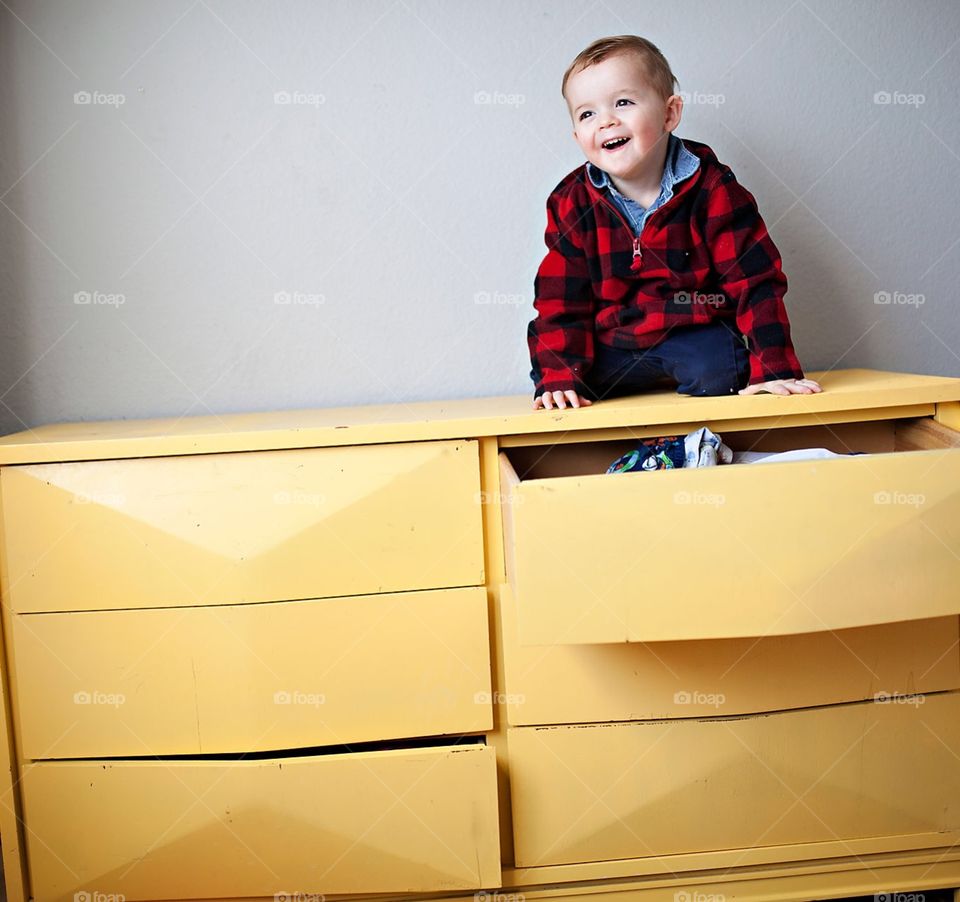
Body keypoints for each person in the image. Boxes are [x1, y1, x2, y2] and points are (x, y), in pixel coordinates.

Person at [528, 35, 823, 410]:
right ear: (577, 136)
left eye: (623, 102)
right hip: (612, 341)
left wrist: (774, 368)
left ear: (670, 113)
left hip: (688, 331)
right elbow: (559, 299)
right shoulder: (572, 201)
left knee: (723, 367)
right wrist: (558, 378)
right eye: (587, 114)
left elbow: (755, 280)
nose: (606, 121)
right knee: (561, 375)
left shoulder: (713, 188)